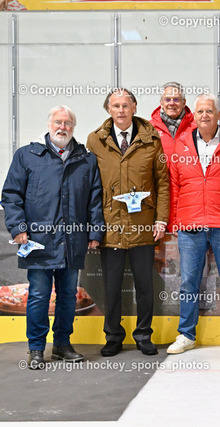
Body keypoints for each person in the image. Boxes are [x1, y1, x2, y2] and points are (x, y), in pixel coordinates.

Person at [2, 105, 104, 369]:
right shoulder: (27, 155)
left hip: (73, 241)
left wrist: (95, 231)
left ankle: (62, 345)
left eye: (68, 123)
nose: (63, 127)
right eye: (58, 122)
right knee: (39, 294)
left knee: (68, 294)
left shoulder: (86, 159)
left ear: (73, 127)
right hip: (38, 242)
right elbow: (11, 195)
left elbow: (94, 199)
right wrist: (18, 228)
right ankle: (36, 348)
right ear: (49, 125)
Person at [87, 88, 170, 357]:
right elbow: (89, 185)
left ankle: (144, 335)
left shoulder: (151, 139)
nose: (121, 110)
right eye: (116, 106)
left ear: (134, 107)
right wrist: (92, 225)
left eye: (125, 105)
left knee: (145, 286)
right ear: (108, 109)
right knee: (111, 287)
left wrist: (161, 219)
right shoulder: (95, 140)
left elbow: (163, 182)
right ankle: (113, 337)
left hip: (143, 225)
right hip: (110, 226)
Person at [166, 93, 220, 355]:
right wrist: (175, 222)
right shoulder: (181, 145)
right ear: (194, 115)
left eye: (209, 111)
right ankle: (186, 334)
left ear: (218, 115)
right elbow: (175, 186)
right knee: (188, 281)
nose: (204, 115)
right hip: (190, 224)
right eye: (200, 111)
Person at [150, 81, 195, 160]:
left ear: (184, 103)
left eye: (176, 99)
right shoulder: (149, 128)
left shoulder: (195, 127)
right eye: (167, 99)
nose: (171, 103)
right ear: (161, 103)